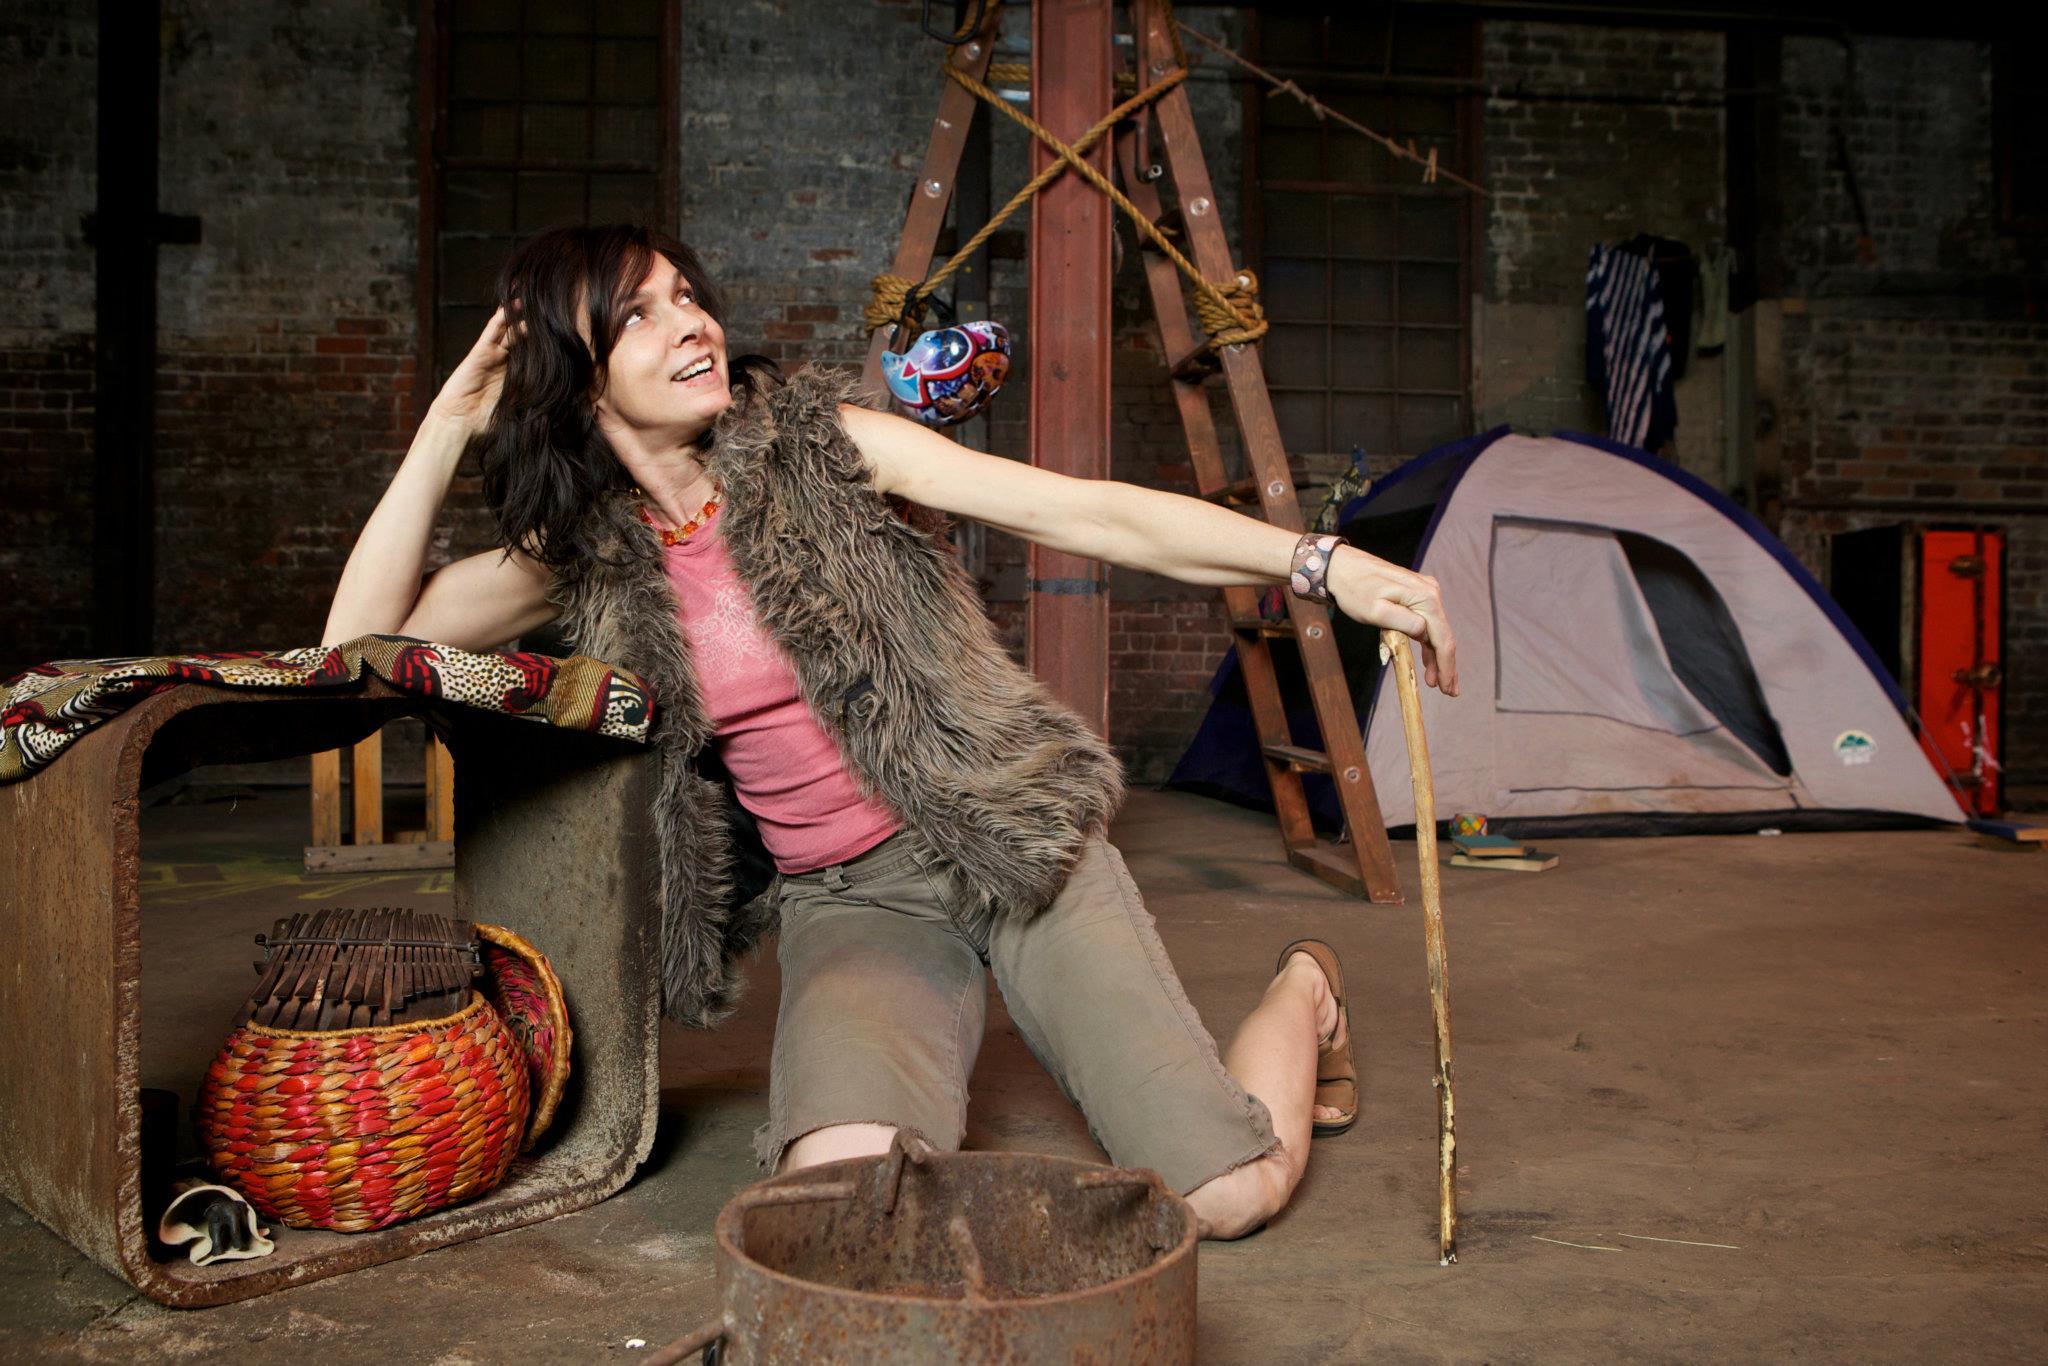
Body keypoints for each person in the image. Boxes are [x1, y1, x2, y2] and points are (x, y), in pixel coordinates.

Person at [324, 224, 1456, 1240]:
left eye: (687, 295)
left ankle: (1304, 990)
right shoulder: (581, 557)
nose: (692, 324)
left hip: (1008, 838)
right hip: (852, 901)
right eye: (641, 315)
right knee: (840, 1209)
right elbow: (349, 658)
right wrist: (446, 424)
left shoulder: (824, 447)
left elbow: (1086, 512)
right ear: (579, 379)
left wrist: (1322, 563)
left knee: (1225, 1197)